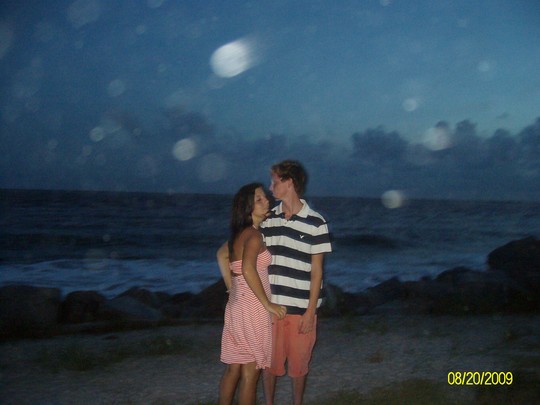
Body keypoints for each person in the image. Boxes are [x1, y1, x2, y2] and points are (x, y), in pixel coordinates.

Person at [261, 160, 332, 405]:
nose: (271, 187)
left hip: (301, 309)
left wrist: (310, 312)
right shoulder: (268, 219)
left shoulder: (316, 222)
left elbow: (317, 271)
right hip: (272, 308)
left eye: (275, 182)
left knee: (299, 366)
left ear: (289, 182)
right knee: (269, 364)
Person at [217, 182, 287, 405]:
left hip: (236, 304)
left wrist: (231, 286)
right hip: (252, 308)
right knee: (250, 372)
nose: (266, 200)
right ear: (247, 207)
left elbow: (221, 255)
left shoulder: (239, 235)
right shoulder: (254, 237)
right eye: (259, 199)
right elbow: (248, 268)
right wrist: (267, 304)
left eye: (265, 197)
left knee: (234, 368)